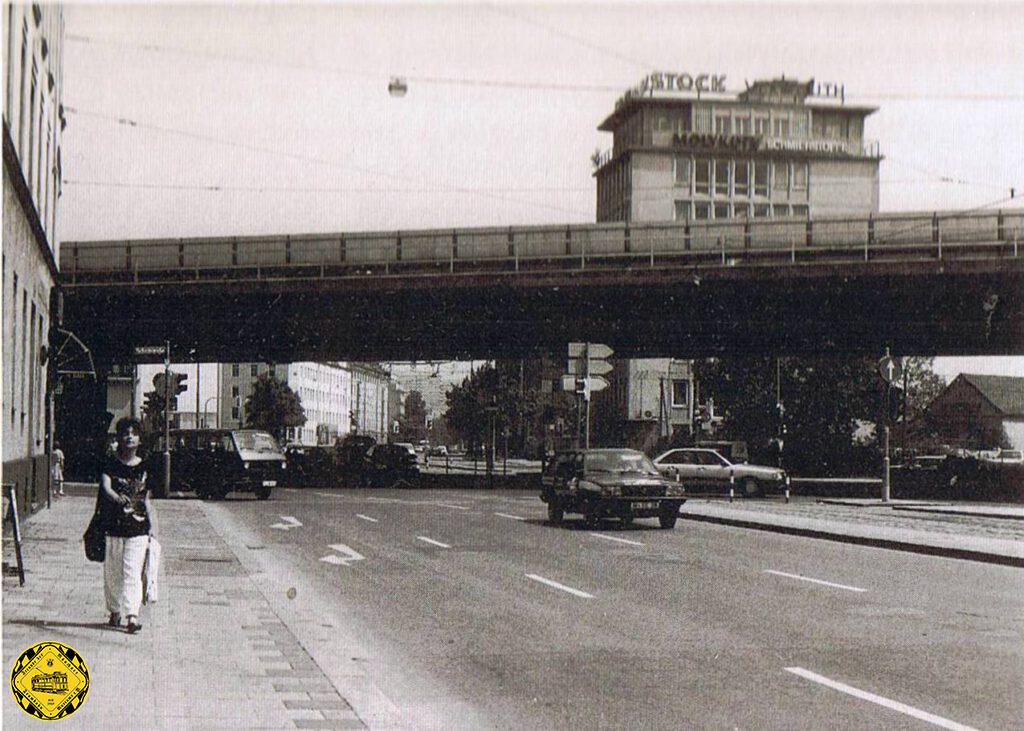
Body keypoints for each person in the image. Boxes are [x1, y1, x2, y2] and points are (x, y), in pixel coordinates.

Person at [99, 417, 159, 634]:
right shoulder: (110, 464)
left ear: (139, 439)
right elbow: (105, 487)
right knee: (113, 572)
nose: (130, 437)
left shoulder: (146, 466)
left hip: (138, 527)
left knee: (132, 571)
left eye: (134, 433)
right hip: (114, 526)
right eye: (126, 433)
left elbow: (147, 499)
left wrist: (153, 526)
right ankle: (114, 611)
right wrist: (117, 497)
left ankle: (132, 616)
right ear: (119, 438)